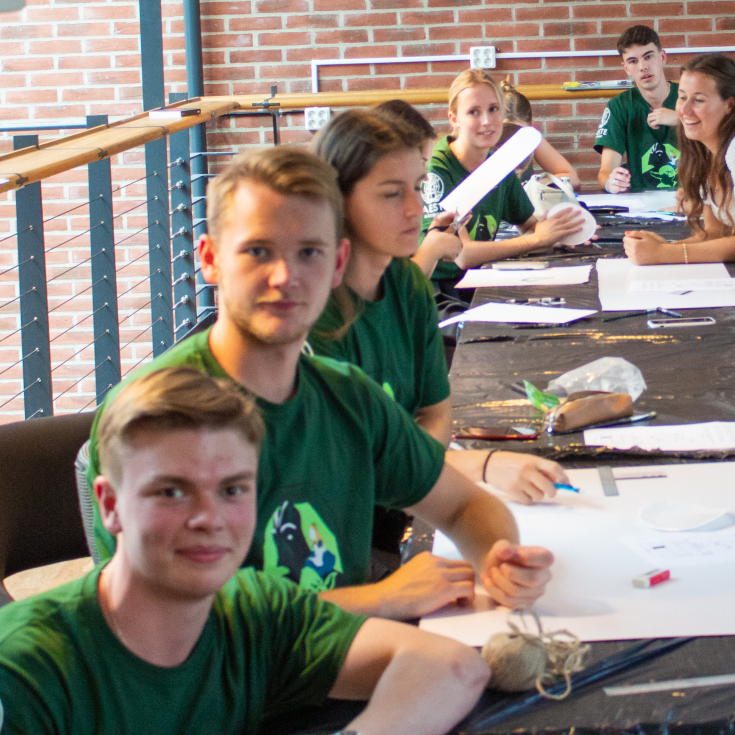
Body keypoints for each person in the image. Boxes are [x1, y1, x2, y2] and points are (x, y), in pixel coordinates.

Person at [88, 144, 554, 621]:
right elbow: (168, 618)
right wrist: (381, 599)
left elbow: (464, 506)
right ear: (210, 259)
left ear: (337, 264)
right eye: (257, 251)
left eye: (309, 252)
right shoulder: (158, 413)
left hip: (347, 650)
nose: (285, 277)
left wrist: (499, 560)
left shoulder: (348, 396)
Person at [0, 367, 489, 735]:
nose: (209, 518)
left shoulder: (251, 610)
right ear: (110, 506)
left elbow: (450, 667)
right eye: (171, 491)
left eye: (233, 490)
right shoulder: (12, 676)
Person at [313, 109, 569, 504]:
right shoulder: (314, 312)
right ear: (339, 199)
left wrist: (433, 478)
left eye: (418, 189)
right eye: (392, 193)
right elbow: (346, 459)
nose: (416, 209)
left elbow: (434, 414)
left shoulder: (408, 285)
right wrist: (476, 466)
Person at [420, 70, 591, 292]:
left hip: (477, 280)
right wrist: (538, 240)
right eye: (473, 112)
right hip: (436, 291)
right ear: (454, 119)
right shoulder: (437, 168)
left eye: (493, 109)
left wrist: (560, 233)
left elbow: (528, 226)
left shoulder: (498, 163)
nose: (486, 121)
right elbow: (462, 255)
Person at [622, 54, 735, 265]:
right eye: (682, 97)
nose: (684, 110)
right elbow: (715, 233)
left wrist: (663, 254)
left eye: (698, 100)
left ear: (730, 105)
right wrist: (662, 248)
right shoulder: (703, 147)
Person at [594, 24, 679, 194]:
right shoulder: (619, 106)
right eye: (633, 61)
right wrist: (612, 183)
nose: (642, 67)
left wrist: (682, 119)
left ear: (662, 57)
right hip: (640, 202)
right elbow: (606, 171)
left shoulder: (690, 97)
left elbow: (722, 145)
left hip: (691, 199)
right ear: (626, 68)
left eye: (648, 57)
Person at [499, 87, 580, 190]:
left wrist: (531, 184)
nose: (511, 139)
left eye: (518, 134)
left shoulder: (531, 137)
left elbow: (573, 179)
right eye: (506, 131)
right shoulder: (484, 139)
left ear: (531, 127)